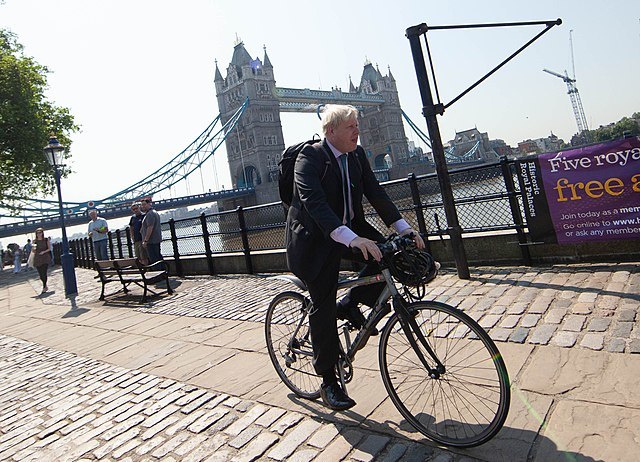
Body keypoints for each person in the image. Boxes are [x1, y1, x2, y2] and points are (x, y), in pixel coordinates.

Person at [285, 104, 424, 411]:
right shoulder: (309, 158)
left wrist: (404, 228)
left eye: (357, 126)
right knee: (322, 303)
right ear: (330, 131)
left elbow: (376, 194)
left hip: (350, 230)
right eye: (351, 127)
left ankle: (350, 304)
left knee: (392, 258)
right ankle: (328, 381)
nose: (357, 131)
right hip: (313, 242)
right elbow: (315, 204)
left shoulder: (357, 156)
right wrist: (353, 238)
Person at [140, 199, 163, 267]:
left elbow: (150, 227)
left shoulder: (150, 214)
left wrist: (145, 240)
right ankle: (163, 273)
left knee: (154, 260)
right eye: (142, 205)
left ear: (149, 204)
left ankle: (159, 274)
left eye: (144, 204)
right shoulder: (153, 212)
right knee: (158, 257)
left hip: (151, 241)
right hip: (155, 240)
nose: (142, 206)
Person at [33, 228, 52, 293]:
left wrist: (44, 252)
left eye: (40, 232)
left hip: (45, 257)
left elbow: (49, 248)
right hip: (38, 258)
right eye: (37, 233)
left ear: (42, 233)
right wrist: (33, 248)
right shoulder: (34, 241)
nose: (39, 234)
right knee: (41, 274)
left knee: (44, 272)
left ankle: (44, 287)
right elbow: (33, 250)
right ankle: (45, 285)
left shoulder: (46, 240)